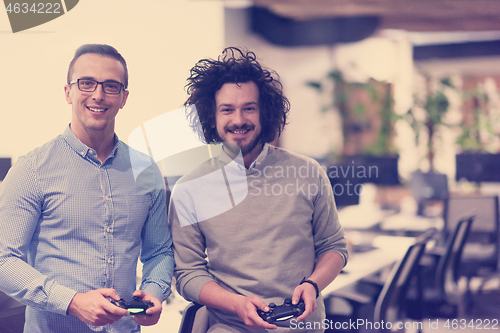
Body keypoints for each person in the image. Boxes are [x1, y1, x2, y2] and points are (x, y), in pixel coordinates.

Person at [169, 47, 348, 332]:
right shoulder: (188, 190)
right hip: (230, 327)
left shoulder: (309, 172)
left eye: (248, 108)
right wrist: (235, 303)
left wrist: (313, 284)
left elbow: (333, 247)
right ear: (211, 116)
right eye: (227, 109)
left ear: (265, 112)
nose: (238, 119)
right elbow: (187, 275)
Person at [0, 44, 174, 332]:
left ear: (123, 98)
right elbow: (4, 261)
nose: (98, 94)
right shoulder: (31, 169)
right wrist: (73, 302)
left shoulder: (146, 171)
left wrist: (155, 292)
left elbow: (159, 252)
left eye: (111, 86)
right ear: (68, 92)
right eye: (87, 83)